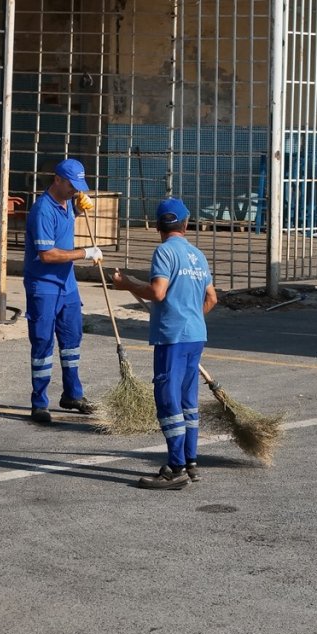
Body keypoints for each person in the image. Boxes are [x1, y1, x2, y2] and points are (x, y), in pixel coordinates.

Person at [112, 197, 217, 490]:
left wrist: (128, 284)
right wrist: (190, 317)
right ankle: (191, 462)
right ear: (186, 224)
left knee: (168, 400)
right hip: (195, 335)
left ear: (158, 226)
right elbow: (212, 298)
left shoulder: (164, 252)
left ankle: (175, 468)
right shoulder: (198, 255)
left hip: (172, 338)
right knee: (187, 401)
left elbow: (158, 292)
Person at [23, 158, 105, 424]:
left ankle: (72, 394)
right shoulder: (42, 210)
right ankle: (39, 403)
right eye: (72, 186)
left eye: (79, 187)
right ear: (57, 179)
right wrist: (85, 253)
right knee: (43, 342)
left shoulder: (68, 203)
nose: (76, 191)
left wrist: (78, 210)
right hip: (44, 286)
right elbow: (47, 255)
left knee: (72, 340)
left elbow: (65, 223)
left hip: (67, 286)